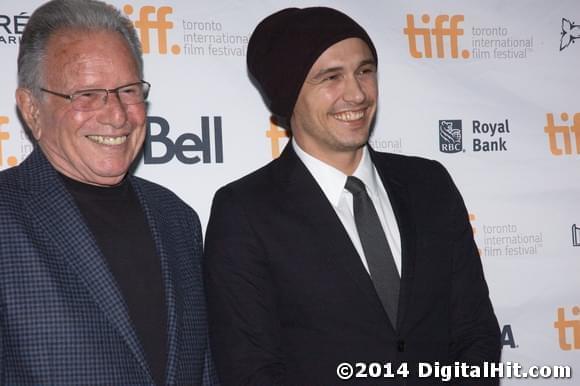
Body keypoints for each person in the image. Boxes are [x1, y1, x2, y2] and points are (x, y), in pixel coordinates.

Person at [204, 7, 501, 386]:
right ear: (288, 94)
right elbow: (251, 368)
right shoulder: (245, 211)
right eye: (331, 77)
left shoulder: (430, 184)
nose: (357, 93)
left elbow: (476, 331)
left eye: (365, 70)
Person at [0, 0, 216, 384]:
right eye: (86, 94)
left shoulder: (178, 218)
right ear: (32, 109)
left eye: (128, 90)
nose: (117, 114)